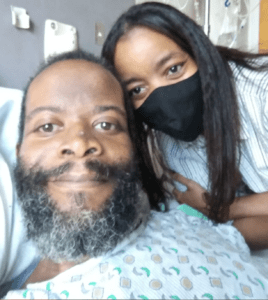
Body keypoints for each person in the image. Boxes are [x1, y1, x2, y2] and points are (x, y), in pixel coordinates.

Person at [4, 50, 268, 299]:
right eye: (48, 126)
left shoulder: (176, 219)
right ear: (18, 153)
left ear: (132, 149)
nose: (79, 143)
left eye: (106, 124)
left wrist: (221, 209)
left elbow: (235, 236)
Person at [101, 1, 268, 250]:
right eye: (137, 89)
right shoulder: (171, 145)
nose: (164, 99)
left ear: (200, 53)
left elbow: (223, 213)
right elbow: (243, 228)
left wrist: (222, 208)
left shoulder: (262, 94)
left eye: (173, 69)